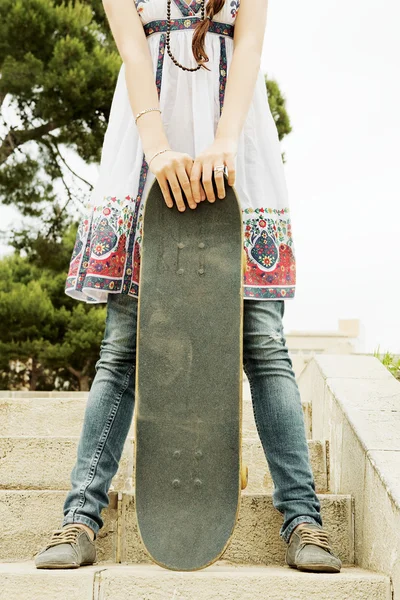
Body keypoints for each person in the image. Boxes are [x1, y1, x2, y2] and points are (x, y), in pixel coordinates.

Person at [35, 0, 341, 572]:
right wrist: (157, 150)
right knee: (123, 346)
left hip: (236, 149)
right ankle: (79, 517)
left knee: (264, 343)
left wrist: (224, 142)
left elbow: (248, 45)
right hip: (147, 148)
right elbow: (131, 47)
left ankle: (303, 521)